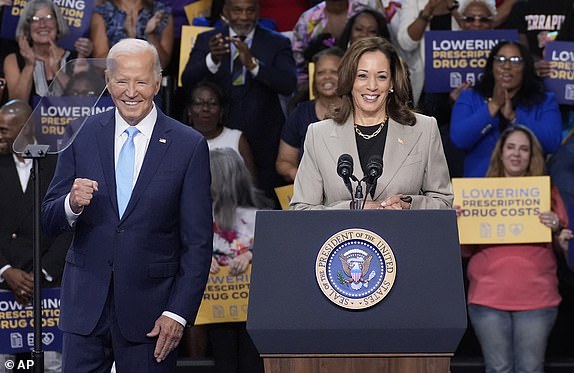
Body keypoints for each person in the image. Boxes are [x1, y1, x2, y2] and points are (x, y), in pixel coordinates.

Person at [41, 38, 213, 372]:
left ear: (157, 82)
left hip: (152, 316)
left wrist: (177, 313)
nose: (131, 91)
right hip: (85, 311)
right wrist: (70, 204)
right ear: (107, 81)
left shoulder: (188, 145)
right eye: (121, 81)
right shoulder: (82, 132)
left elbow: (198, 243)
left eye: (141, 81)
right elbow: (48, 219)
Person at [289, 37, 453, 210]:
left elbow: (443, 203)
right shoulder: (318, 134)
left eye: (381, 76)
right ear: (349, 80)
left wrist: (408, 205)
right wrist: (352, 208)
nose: (372, 86)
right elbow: (301, 210)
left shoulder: (424, 129)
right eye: (362, 76)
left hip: (404, 235)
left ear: (391, 82)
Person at [458, 125, 570, 373]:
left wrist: (556, 228)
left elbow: (564, 247)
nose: (516, 154)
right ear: (501, 153)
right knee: (498, 368)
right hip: (488, 298)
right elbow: (466, 251)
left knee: (530, 368)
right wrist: (461, 224)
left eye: (524, 149)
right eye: (510, 147)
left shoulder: (547, 194)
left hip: (537, 299)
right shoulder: (479, 194)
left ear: (532, 156)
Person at [181, 0, 297, 201]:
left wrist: (253, 66)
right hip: (219, 138)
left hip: (265, 140)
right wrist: (212, 60)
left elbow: (288, 84)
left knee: (263, 205)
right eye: (237, 10)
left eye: (250, 10)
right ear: (225, 11)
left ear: (258, 11)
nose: (244, 16)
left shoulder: (277, 42)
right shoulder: (207, 40)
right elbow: (187, 81)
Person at [0, 99, 71, 372]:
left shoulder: (56, 164)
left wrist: (41, 274)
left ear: (26, 128)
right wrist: (6, 270)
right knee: (8, 366)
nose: (0, 135)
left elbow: (68, 225)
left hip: (47, 285)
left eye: (5, 130)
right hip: (6, 284)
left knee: (48, 365)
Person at [450, 40, 562, 177]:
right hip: (479, 188)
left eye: (515, 60)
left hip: (529, 190)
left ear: (525, 67)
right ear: (492, 66)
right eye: (500, 60)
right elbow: (459, 139)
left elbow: (553, 143)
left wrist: (514, 117)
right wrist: (493, 106)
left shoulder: (544, 100)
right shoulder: (469, 97)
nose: (506, 66)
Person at [201, 147, 269, 373]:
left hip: (252, 304)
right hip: (216, 303)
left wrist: (251, 254)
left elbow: (277, 251)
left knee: (252, 358)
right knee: (223, 356)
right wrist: (203, 258)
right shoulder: (198, 212)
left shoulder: (261, 211)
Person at [276, 47, 343, 183]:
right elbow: (284, 162)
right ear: (314, 78)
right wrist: (301, 177)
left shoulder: (360, 111)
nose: (327, 77)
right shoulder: (300, 113)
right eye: (320, 73)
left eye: (334, 72)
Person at [3, 0, 93, 101]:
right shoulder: (13, 59)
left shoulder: (77, 58)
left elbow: (82, 103)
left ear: (57, 23)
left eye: (49, 18)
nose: (42, 24)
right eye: (35, 19)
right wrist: (29, 66)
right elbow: (17, 107)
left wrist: (57, 70)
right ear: (27, 27)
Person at [396, 0, 465, 107]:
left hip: (462, 80)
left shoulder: (465, 2)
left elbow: (477, 35)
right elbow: (406, 44)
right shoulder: (414, 2)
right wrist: (425, 15)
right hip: (427, 86)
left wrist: (454, 10)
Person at [185, 80, 257, 179]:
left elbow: (251, 185)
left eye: (213, 103)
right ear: (189, 110)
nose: (205, 108)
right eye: (199, 103)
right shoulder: (179, 139)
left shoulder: (237, 139)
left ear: (221, 111)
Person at [90, 0, 174, 69]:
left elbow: (162, 64)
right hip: (115, 84)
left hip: (150, 85)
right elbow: (100, 64)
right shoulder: (102, 12)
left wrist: (151, 35)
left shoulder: (161, 13)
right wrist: (128, 41)